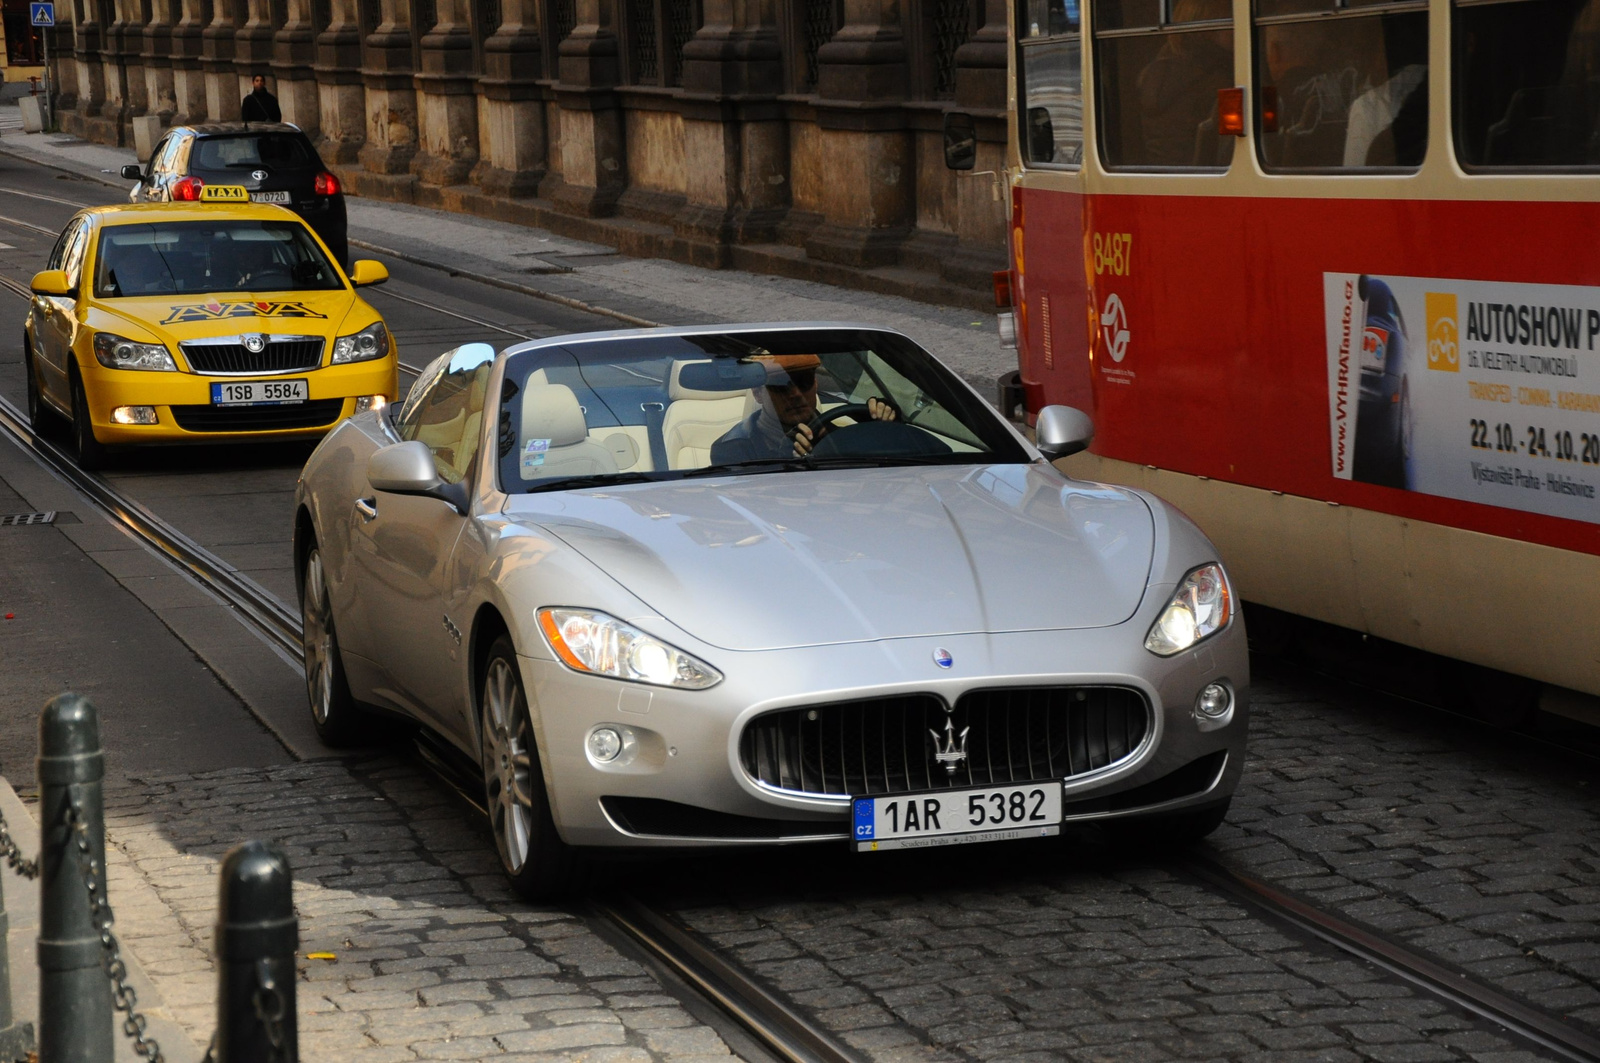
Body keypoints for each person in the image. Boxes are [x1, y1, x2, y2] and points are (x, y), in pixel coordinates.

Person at [709, 354, 897, 464]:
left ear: (815, 384)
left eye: (803, 381)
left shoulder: (843, 436)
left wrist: (882, 429)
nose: (796, 394)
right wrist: (787, 462)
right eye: (781, 385)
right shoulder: (731, 450)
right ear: (758, 393)